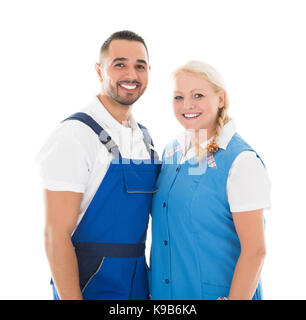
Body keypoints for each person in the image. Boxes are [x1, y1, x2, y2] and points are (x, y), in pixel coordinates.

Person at [36, 30, 160, 300]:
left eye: (140, 66)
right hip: (90, 287)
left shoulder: (145, 139)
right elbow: (55, 235)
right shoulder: (75, 135)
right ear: (99, 70)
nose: (131, 75)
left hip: (139, 287)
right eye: (120, 64)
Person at [150, 60, 271, 300]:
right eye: (178, 97)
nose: (187, 105)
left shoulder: (241, 161)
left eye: (198, 95)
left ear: (220, 99)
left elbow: (255, 250)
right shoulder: (171, 152)